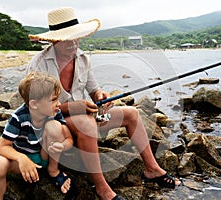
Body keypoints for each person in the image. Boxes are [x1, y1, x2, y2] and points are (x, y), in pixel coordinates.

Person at [27, 7, 181, 200]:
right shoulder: (39, 63)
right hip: (54, 125)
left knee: (131, 113)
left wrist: (100, 96)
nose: (73, 43)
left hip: (83, 116)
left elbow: (94, 90)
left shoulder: (83, 59)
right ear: (54, 40)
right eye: (67, 38)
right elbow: (35, 111)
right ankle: (102, 188)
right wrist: (72, 108)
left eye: (76, 37)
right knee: (86, 122)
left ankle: (152, 169)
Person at [0, 71, 74, 200]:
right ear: (34, 104)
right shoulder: (18, 117)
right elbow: (3, 147)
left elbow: (69, 139)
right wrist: (22, 158)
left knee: (54, 126)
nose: (59, 103)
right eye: (53, 99)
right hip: (25, 161)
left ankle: (53, 170)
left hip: (45, 154)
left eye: (58, 98)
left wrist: (61, 146)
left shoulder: (55, 112)